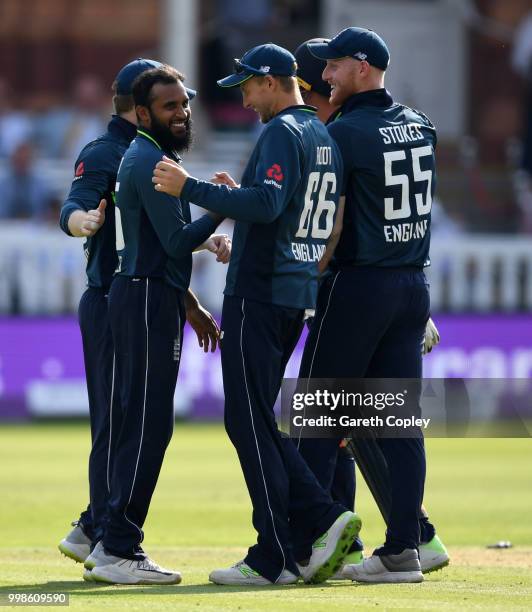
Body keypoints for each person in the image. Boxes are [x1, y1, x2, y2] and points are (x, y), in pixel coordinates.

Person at [152, 43, 361, 586]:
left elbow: (267, 206)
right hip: (294, 291)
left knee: (247, 420)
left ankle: (288, 545)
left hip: (259, 292)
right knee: (256, 418)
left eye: (245, 85)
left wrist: (191, 188)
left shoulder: (282, 132)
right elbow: (304, 213)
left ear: (270, 81)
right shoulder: (323, 135)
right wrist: (238, 197)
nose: (243, 98)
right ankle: (293, 542)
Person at [58, 59, 223, 578]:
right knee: (122, 420)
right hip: (113, 298)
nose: (184, 111)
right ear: (139, 106)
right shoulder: (111, 153)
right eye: (171, 103)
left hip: (137, 293)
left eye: (183, 103)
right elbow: (76, 205)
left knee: (128, 419)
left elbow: (160, 244)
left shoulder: (152, 154)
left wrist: (188, 301)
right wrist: (82, 222)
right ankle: (108, 536)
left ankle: (96, 528)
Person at [292, 39, 449, 580]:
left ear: (361, 68)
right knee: (397, 423)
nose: (326, 74)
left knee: (316, 416)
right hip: (412, 285)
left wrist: (304, 276)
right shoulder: (419, 123)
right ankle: (405, 548)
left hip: (357, 285)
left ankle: (307, 545)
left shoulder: (343, 132)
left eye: (334, 65)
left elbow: (330, 225)